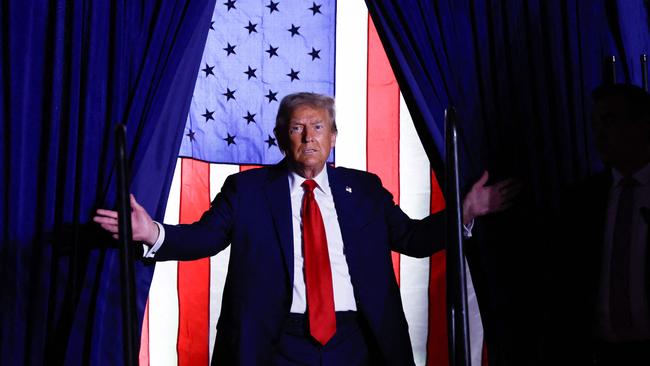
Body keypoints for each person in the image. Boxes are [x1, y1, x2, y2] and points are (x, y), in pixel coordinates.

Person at [95, 92, 519, 365]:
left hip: (357, 342)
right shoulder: (246, 190)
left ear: (333, 137)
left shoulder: (365, 190)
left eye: (318, 127)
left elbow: (412, 238)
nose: (308, 137)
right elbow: (205, 237)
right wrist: (152, 232)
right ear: (281, 138)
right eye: (297, 128)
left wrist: (463, 213)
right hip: (279, 343)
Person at [544, 84, 650, 365]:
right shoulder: (581, 200)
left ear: (641, 125)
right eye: (594, 124)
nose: (599, 134)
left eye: (609, 120)